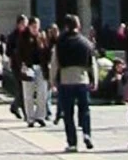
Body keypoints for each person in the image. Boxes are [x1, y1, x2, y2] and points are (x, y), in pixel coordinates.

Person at [51, 13, 96, 152]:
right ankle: (86, 133)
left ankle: (72, 143)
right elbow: (92, 63)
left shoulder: (60, 43)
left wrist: (53, 81)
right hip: (82, 79)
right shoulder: (86, 42)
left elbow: (54, 63)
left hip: (66, 80)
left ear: (65, 26)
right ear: (78, 26)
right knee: (85, 110)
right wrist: (94, 79)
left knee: (68, 113)